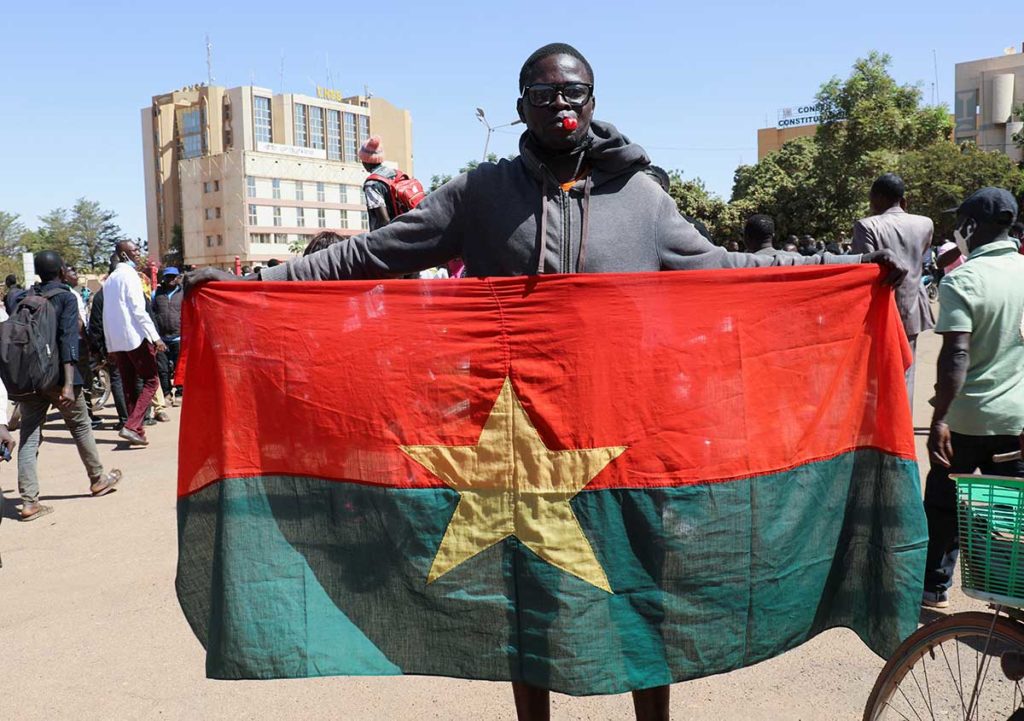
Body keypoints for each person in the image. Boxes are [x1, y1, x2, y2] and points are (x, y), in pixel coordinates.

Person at [188, 42, 907, 721]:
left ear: (593, 101)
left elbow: (725, 267)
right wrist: (255, 284)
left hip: (629, 441)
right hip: (511, 440)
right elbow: (369, 256)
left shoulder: (644, 199)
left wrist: (849, 273)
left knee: (641, 590)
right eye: (544, 92)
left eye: (574, 92)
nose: (561, 104)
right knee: (524, 597)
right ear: (522, 105)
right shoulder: (480, 194)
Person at [923, 187, 1024, 609]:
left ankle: (935, 586)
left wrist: (940, 418)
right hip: (1016, 422)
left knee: (946, 502)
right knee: (1014, 510)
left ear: (968, 227)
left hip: (965, 421)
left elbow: (956, 353)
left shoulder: (963, 280)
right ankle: (1013, 595)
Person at [14, 251, 122, 521]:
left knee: (29, 436)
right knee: (81, 425)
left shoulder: (23, 298)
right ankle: (98, 479)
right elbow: (68, 340)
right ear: (61, 271)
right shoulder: (65, 296)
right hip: (59, 377)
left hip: (31, 378)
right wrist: (68, 385)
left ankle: (29, 501)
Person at [851, 173, 934, 401]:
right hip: (912, 310)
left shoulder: (866, 226)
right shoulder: (926, 224)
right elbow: (920, 256)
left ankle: (881, 432)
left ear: (876, 198)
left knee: (875, 377)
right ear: (903, 200)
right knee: (907, 373)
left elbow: (864, 268)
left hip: (879, 311)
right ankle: (903, 429)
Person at [103, 240, 166, 446]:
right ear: (123, 255)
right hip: (135, 337)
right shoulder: (130, 276)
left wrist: (110, 345)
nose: (138, 254)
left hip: (119, 340)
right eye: (134, 251)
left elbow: (107, 315)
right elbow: (138, 310)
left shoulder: (111, 279)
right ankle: (131, 426)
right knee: (151, 380)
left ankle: (135, 429)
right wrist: (155, 337)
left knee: (129, 385)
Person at [151, 267, 183, 404]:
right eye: (168, 277)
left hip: (179, 337)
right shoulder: (155, 294)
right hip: (161, 339)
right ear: (163, 278)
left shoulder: (184, 293)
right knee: (162, 368)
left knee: (179, 367)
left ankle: (180, 392)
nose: (171, 279)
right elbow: (151, 313)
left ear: (178, 277)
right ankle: (166, 393)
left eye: (173, 277)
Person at [360, 136, 398, 231]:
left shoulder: (372, 184)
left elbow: (384, 220)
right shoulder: (395, 173)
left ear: (365, 161)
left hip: (389, 238)